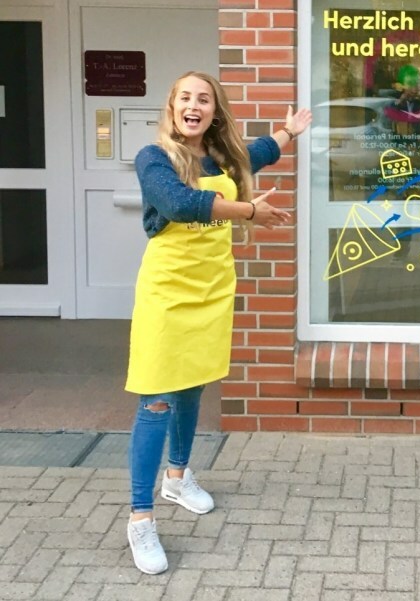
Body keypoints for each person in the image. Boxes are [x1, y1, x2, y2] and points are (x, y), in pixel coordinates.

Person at [125, 71, 311, 575]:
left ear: (213, 110)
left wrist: (288, 133)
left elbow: (256, 153)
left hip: (210, 288)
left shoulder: (224, 156)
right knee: (157, 397)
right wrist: (250, 211)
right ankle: (141, 519)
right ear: (172, 106)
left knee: (192, 387)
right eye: (185, 96)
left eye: (203, 99)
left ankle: (178, 477)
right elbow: (181, 204)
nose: (194, 105)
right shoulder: (154, 159)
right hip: (167, 293)